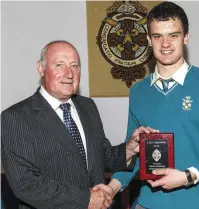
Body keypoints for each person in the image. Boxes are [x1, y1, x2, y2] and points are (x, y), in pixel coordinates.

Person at [93, 2, 199, 209]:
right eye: (157, 36)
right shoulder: (138, 91)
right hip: (150, 204)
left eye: (173, 35)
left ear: (186, 37)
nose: (165, 44)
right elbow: (136, 152)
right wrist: (111, 188)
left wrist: (187, 176)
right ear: (148, 40)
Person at [1, 40, 157, 209]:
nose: (69, 74)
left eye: (75, 66)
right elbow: (25, 184)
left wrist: (128, 149)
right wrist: (85, 199)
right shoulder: (15, 118)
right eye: (59, 65)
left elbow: (101, 156)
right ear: (40, 68)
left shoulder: (87, 106)